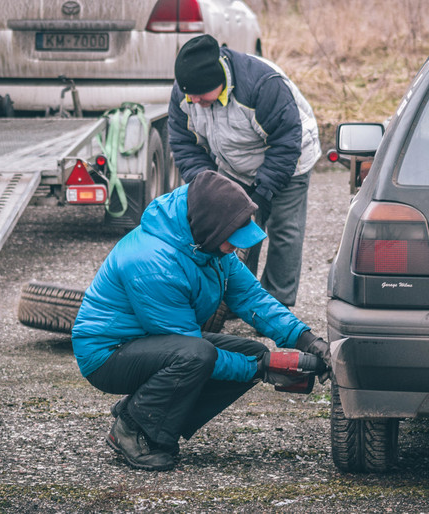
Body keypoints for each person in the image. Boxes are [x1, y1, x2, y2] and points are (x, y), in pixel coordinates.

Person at [71, 171, 331, 471]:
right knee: (202, 357)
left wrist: (308, 341)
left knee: (251, 353)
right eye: (231, 240)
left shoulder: (207, 246)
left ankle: (141, 408)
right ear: (211, 229)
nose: (237, 247)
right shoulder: (153, 262)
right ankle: (132, 428)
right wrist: (264, 369)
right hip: (109, 354)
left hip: (151, 342)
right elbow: (191, 350)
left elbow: (252, 298)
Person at [167, 34, 322, 308]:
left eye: (200, 94)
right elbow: (183, 143)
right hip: (233, 165)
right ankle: (236, 299)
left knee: (284, 230)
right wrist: (206, 184)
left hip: (289, 160)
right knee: (232, 229)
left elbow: (286, 141)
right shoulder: (186, 95)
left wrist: (263, 193)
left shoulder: (261, 86)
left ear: (218, 82)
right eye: (189, 94)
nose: (193, 100)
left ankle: (275, 305)